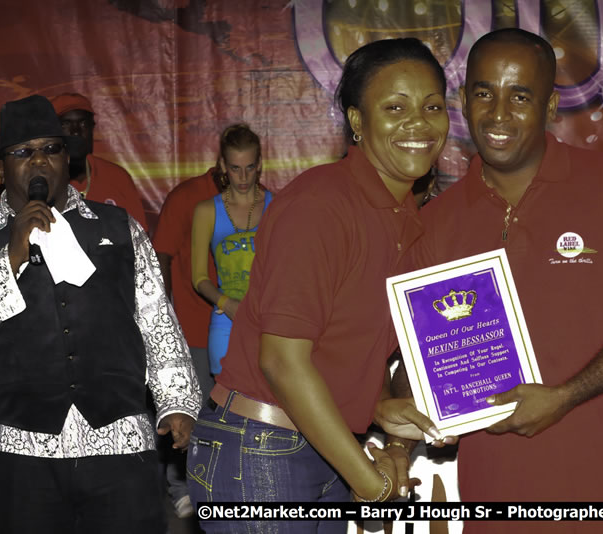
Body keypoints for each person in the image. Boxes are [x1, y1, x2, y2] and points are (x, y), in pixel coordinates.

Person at [404, 29, 603, 533]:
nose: (499, 113)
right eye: (484, 92)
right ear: (463, 102)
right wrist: (419, 412)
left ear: (551, 106)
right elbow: (419, 357)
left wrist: (565, 396)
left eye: (520, 96)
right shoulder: (436, 220)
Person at [186, 37, 449, 533]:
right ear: (356, 121)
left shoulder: (407, 219)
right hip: (261, 450)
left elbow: (350, 349)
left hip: (324, 447)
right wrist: (372, 487)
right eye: (395, 107)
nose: (418, 122)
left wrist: (386, 429)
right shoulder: (321, 205)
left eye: (432, 106)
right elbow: (281, 362)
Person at [0, 95, 201, 533]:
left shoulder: (118, 227)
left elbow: (155, 318)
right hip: (21, 448)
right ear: (1, 168)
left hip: (120, 442)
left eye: (51, 149)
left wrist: (177, 403)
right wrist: (9, 257)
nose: (39, 161)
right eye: (23, 152)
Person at [152, 164, 221, 519]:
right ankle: (181, 488)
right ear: (220, 161)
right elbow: (159, 254)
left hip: (238, 330)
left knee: (225, 415)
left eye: (250, 166)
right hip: (193, 325)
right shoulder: (187, 197)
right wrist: (166, 312)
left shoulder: (259, 200)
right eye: (233, 165)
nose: (240, 173)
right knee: (188, 412)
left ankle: (218, 487)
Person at [191, 124, 271, 375]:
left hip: (269, 320)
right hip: (226, 321)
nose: (244, 177)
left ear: (259, 164)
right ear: (223, 166)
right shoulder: (206, 211)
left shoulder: (277, 207)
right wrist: (228, 304)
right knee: (229, 409)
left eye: (249, 168)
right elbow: (199, 278)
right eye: (236, 169)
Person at [49, 92, 149, 231]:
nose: (76, 131)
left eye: (83, 123)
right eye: (66, 124)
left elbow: (140, 238)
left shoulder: (116, 177)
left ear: (92, 128)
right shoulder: (41, 179)